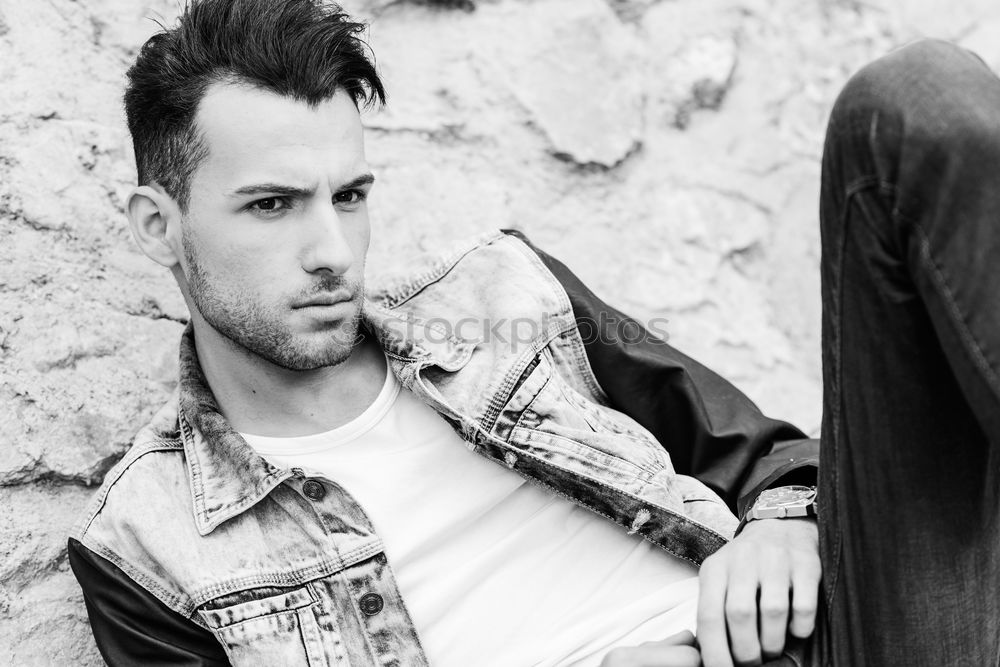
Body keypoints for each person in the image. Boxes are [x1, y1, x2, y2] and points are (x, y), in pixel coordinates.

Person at [65, 0, 1000, 666]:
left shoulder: (510, 297)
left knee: (913, 99)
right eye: (272, 205)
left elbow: (768, 455)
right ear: (159, 226)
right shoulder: (147, 548)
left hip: (850, 634)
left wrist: (786, 522)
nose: (330, 250)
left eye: (349, 196)